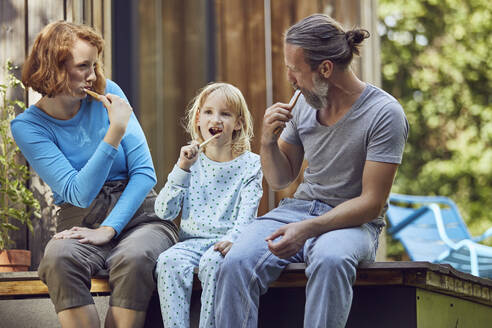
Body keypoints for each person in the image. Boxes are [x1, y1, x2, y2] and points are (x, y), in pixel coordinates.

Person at [214, 13, 409, 328]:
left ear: (326, 69)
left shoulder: (384, 114)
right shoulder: (306, 103)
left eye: (294, 69)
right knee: (235, 262)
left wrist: (308, 229)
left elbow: (372, 202)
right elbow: (281, 179)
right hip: (297, 211)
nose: (290, 78)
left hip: (353, 222)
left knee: (331, 260)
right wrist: (266, 141)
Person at [11, 21, 178, 328]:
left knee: (135, 258)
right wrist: (115, 130)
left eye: (95, 64)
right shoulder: (28, 126)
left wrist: (109, 229)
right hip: (80, 221)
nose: (93, 75)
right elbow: (78, 192)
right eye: (83, 66)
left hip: (140, 215)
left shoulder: (109, 92)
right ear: (54, 69)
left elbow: (144, 174)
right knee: (58, 258)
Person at [154, 82, 263, 328]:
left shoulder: (250, 165)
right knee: (168, 261)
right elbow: (164, 211)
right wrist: (181, 169)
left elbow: (248, 216)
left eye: (225, 114)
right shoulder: (191, 163)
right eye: (209, 112)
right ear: (198, 121)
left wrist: (235, 237)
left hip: (226, 244)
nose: (216, 119)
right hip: (191, 243)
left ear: (238, 124)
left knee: (213, 263)